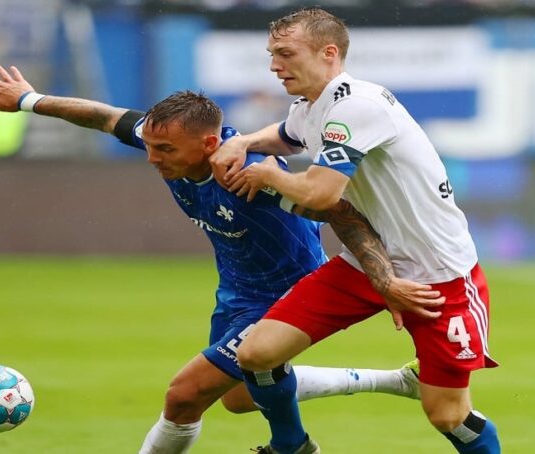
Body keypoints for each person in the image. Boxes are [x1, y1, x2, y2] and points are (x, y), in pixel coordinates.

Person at [0, 64, 440, 454]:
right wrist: (28, 100)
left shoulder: (247, 176)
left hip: (284, 296)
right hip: (238, 291)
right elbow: (105, 117)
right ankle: (396, 383)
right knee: (238, 399)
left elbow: (340, 212)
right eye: (150, 146)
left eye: (165, 151)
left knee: (183, 396)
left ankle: (294, 446)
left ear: (207, 145)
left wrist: (383, 280)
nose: (152, 159)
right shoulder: (168, 140)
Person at [210, 8, 501, 453]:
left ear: (328, 53)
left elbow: (321, 194)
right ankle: (291, 446)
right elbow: (287, 135)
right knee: (256, 354)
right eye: (271, 54)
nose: (274, 66)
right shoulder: (313, 106)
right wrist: (244, 141)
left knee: (448, 416)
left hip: (437, 278)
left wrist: (269, 175)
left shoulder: (357, 107)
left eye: (285, 54)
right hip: (366, 263)